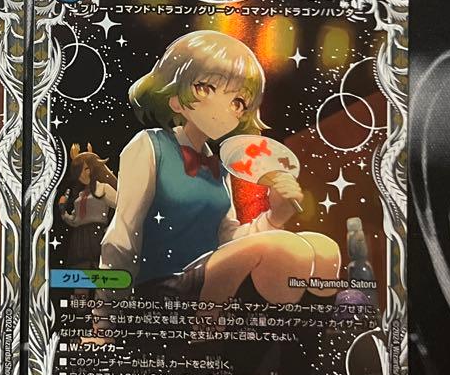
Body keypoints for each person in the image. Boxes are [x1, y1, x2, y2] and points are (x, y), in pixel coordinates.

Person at [100, 30, 340, 304]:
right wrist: (106, 311)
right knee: (286, 248)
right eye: (206, 88)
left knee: (324, 250)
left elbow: (230, 240)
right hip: (161, 286)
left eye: (238, 102)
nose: (225, 107)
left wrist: (276, 215)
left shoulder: (218, 166)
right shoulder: (149, 145)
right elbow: (123, 233)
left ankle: (301, 330)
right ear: (174, 97)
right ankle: (207, 327)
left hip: (209, 278)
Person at [58, 142, 118, 270]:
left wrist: (110, 230)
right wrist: (63, 211)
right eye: (79, 171)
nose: (82, 175)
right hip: (79, 239)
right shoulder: (80, 196)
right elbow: (75, 221)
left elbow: (122, 207)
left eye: (86, 169)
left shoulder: (103, 188)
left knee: (99, 272)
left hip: (97, 235)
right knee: (79, 273)